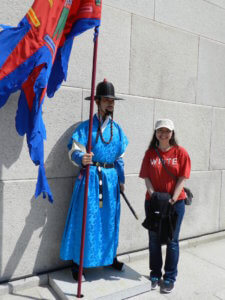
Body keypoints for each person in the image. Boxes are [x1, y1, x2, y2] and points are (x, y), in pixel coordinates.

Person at [60, 79, 128, 280]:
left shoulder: (118, 130)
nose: (110, 104)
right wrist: (82, 157)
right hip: (90, 180)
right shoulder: (85, 128)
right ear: (97, 101)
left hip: (111, 182)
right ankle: (77, 262)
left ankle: (110, 257)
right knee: (86, 221)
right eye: (106, 100)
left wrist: (121, 181)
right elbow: (73, 150)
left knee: (109, 220)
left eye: (112, 101)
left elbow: (120, 159)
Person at [139, 119, 191, 293]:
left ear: (172, 133)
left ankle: (169, 277)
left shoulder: (180, 153)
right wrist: (154, 196)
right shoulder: (150, 154)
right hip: (153, 203)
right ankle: (155, 273)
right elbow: (146, 177)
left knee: (172, 241)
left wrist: (172, 200)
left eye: (166, 131)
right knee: (154, 240)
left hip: (175, 204)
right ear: (155, 133)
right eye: (159, 131)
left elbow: (182, 178)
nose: (163, 134)